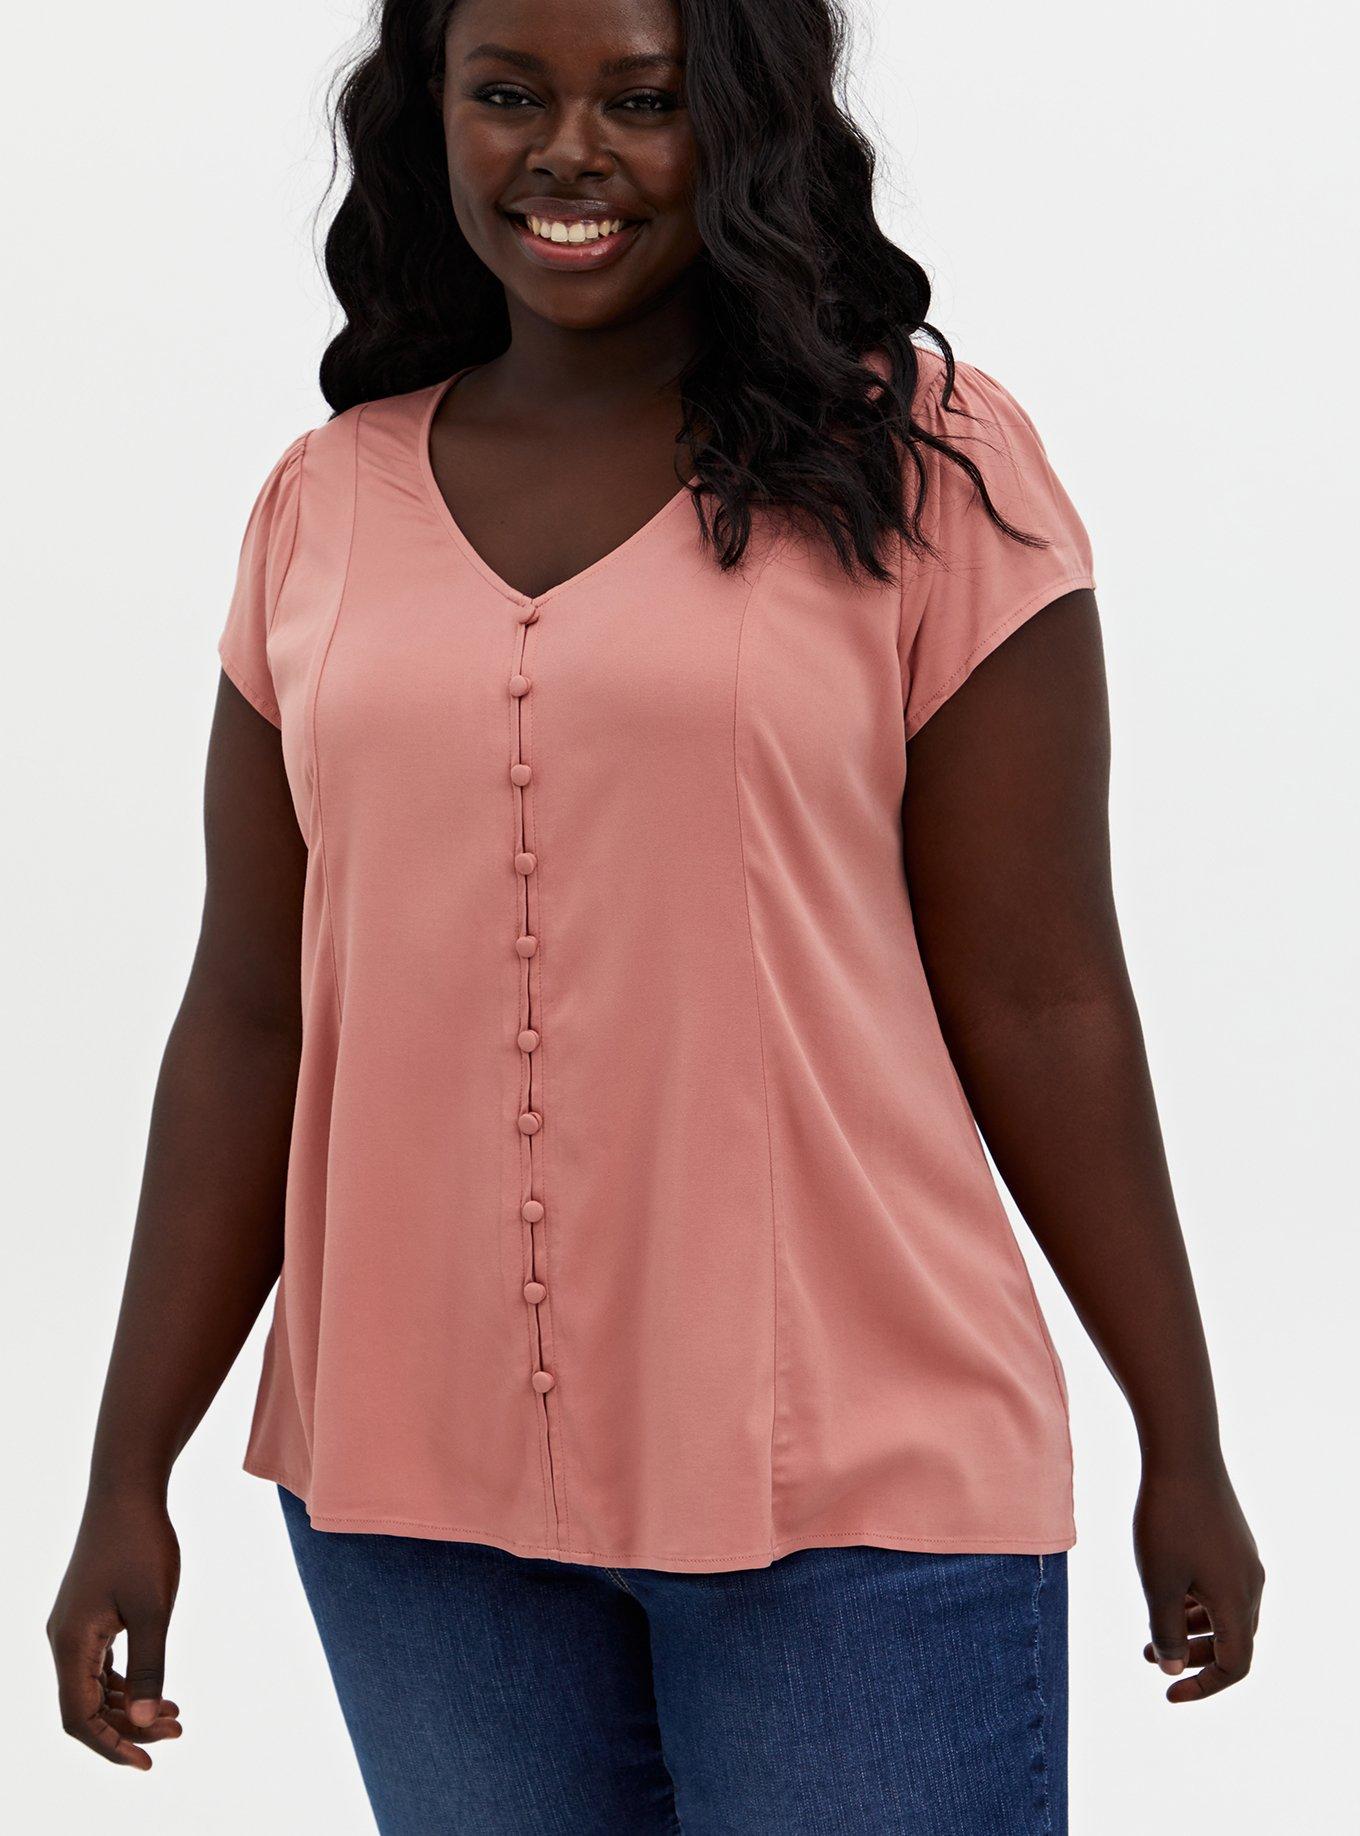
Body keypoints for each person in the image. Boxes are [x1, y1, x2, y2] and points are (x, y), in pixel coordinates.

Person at [47, 0, 1265, 1829]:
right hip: (413, 1504)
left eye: (643, 98)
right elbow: (248, 1015)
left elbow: (1047, 996)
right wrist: (124, 1470)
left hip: (857, 1491)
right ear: (429, 115)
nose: (570, 153)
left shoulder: (926, 470)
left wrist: (1184, 1434)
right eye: (508, 94)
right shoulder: (318, 507)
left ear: (745, 123)